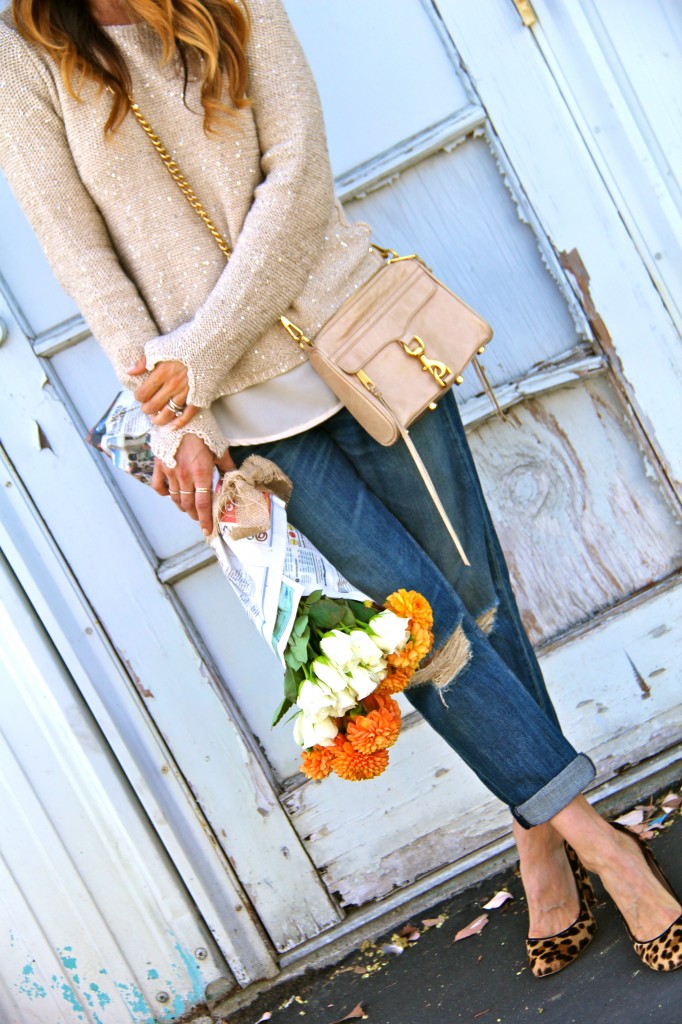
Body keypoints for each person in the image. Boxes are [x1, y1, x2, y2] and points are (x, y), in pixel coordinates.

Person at [1, 0, 679, 979]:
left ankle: (538, 840)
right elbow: (85, 260)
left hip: (360, 342)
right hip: (237, 414)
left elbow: (297, 176)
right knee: (422, 632)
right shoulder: (25, 52)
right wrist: (180, 416)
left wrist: (194, 353)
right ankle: (601, 841)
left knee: (477, 604)